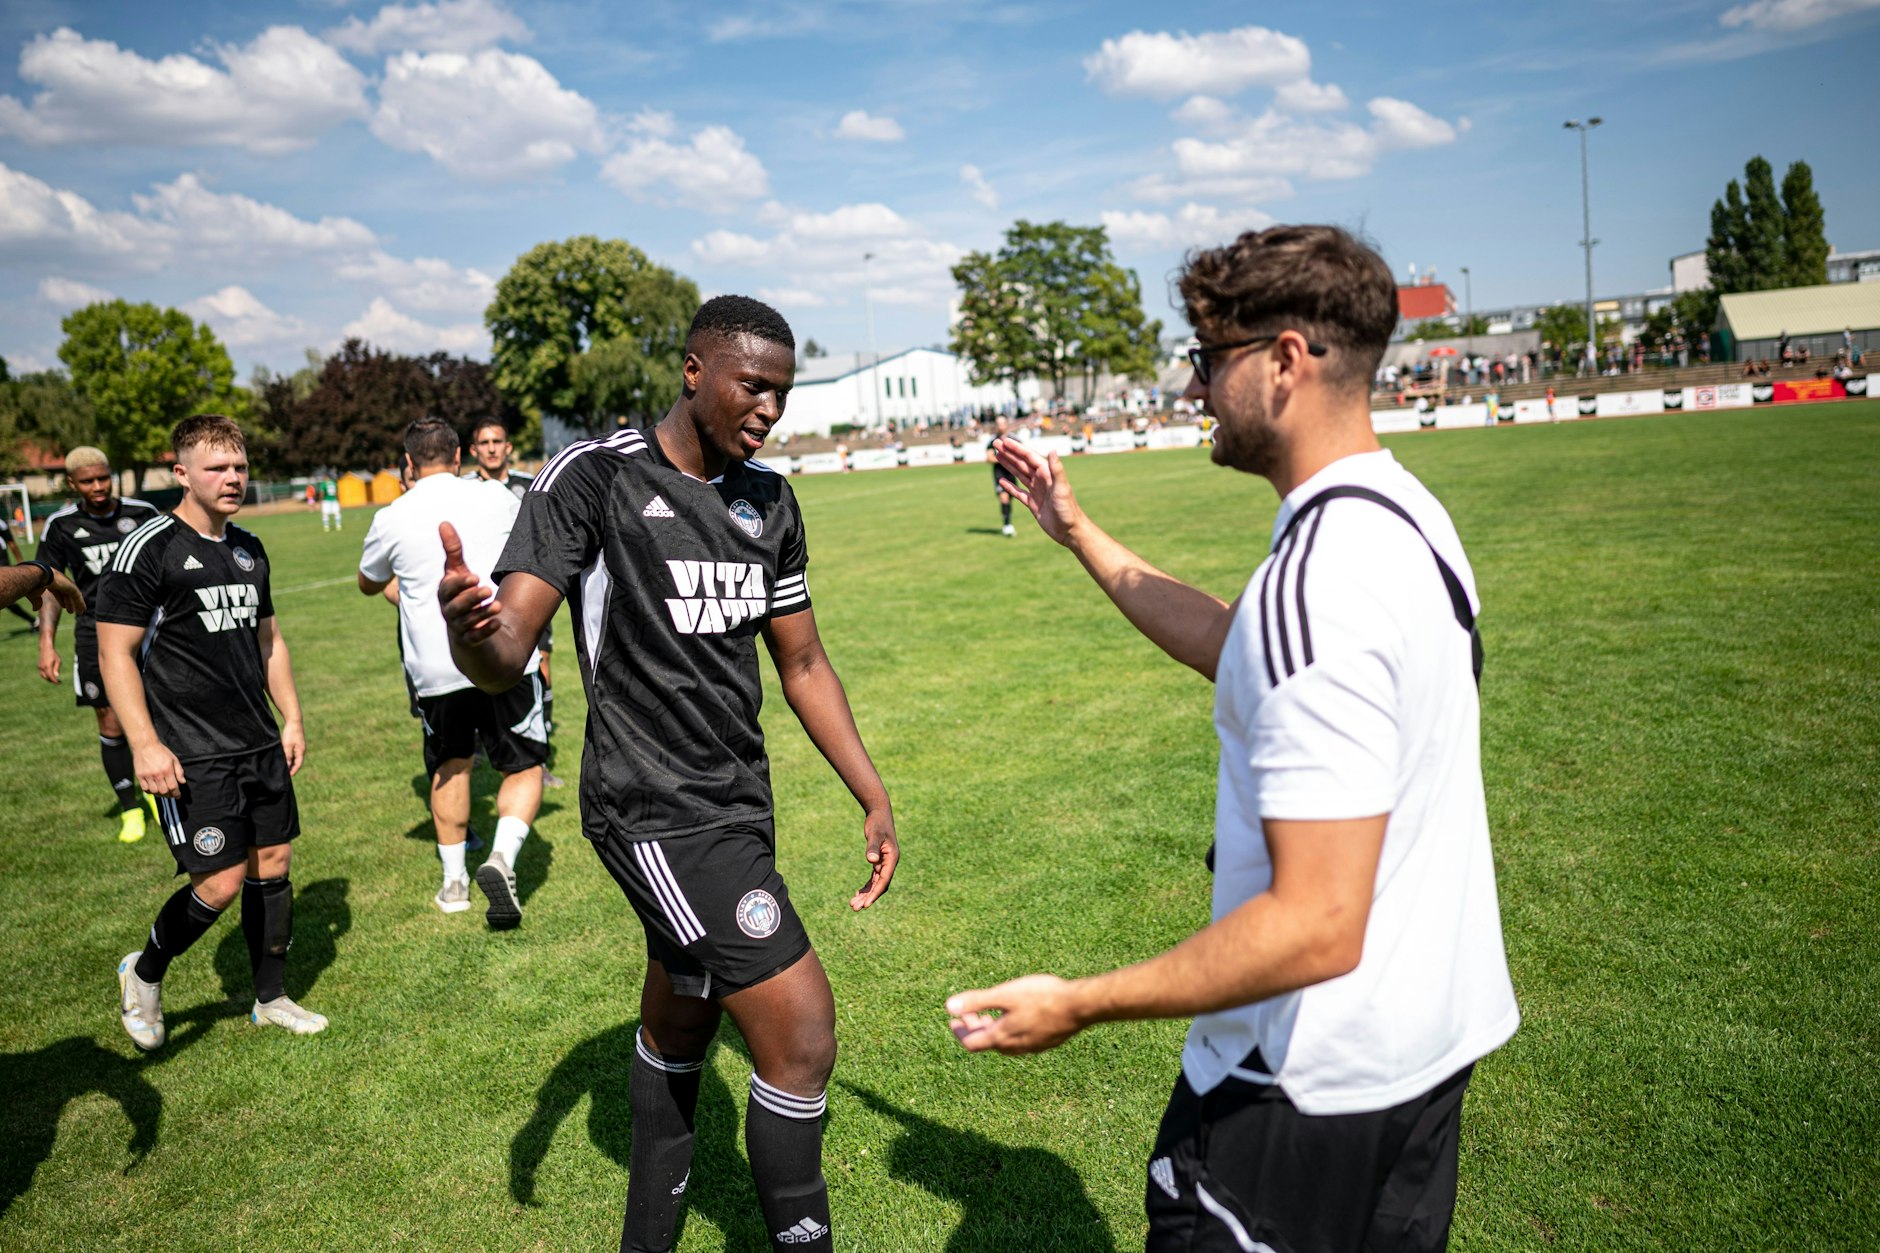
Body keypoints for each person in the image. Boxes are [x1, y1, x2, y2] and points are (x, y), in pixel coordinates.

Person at [947, 225, 1519, 1253]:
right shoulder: (1401, 516)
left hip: (1297, 1089)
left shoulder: (1319, 579)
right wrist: (1077, 531)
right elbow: (1240, 643)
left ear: (1285, 361)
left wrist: (1076, 1002)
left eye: (1210, 360)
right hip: (1423, 1047)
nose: (1192, 385)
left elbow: (1314, 922)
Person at [438, 295, 898, 1252]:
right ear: (694, 370)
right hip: (649, 808)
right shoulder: (595, 477)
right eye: (752, 385)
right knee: (804, 1033)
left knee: (684, 1023)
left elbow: (803, 663)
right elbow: (508, 646)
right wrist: (466, 628)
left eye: (783, 391)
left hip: (735, 805)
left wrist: (871, 790)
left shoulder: (768, 499)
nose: (769, 408)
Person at [96, 415, 326, 1049]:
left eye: (240, 467)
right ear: (182, 474)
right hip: (191, 749)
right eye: (217, 468)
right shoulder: (151, 548)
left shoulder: (250, 547)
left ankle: (270, 997)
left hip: (257, 741)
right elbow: (115, 653)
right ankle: (143, 973)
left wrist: (293, 718)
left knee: (272, 865)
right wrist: (144, 743)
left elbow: (269, 640)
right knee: (219, 882)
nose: (233, 479)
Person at [359, 418, 545, 923]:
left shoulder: (391, 515)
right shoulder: (498, 497)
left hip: (436, 664)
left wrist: (413, 597)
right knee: (523, 766)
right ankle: (503, 855)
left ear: (410, 463)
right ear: (460, 456)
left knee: (452, 764)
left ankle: (455, 884)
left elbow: (368, 582)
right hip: (504, 652)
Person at [33, 448, 164, 842]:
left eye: (103, 478)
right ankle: (131, 810)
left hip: (148, 629)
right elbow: (49, 588)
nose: (98, 487)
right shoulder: (61, 526)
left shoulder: (144, 513)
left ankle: (161, 791)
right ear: (72, 484)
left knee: (160, 709)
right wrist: (46, 642)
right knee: (109, 719)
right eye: (88, 481)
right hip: (95, 633)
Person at [464, 418, 562, 787]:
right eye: (483, 442)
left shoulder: (530, 485)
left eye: (497, 441)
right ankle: (478, 745)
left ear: (508, 447)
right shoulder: (463, 491)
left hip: (527, 592)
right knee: (481, 664)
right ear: (473, 450)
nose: (491, 448)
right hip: (483, 597)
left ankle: (539, 741)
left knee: (539, 662)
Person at [987, 415, 1020, 536]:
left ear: (1006, 424)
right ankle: (1007, 525)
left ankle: (1008, 522)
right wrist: (1004, 458)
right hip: (999, 473)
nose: (1000, 426)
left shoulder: (1014, 439)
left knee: (1009, 500)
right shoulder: (992, 441)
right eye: (998, 423)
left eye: (1002, 423)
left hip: (1012, 473)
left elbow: (1021, 454)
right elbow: (989, 458)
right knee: (1004, 497)